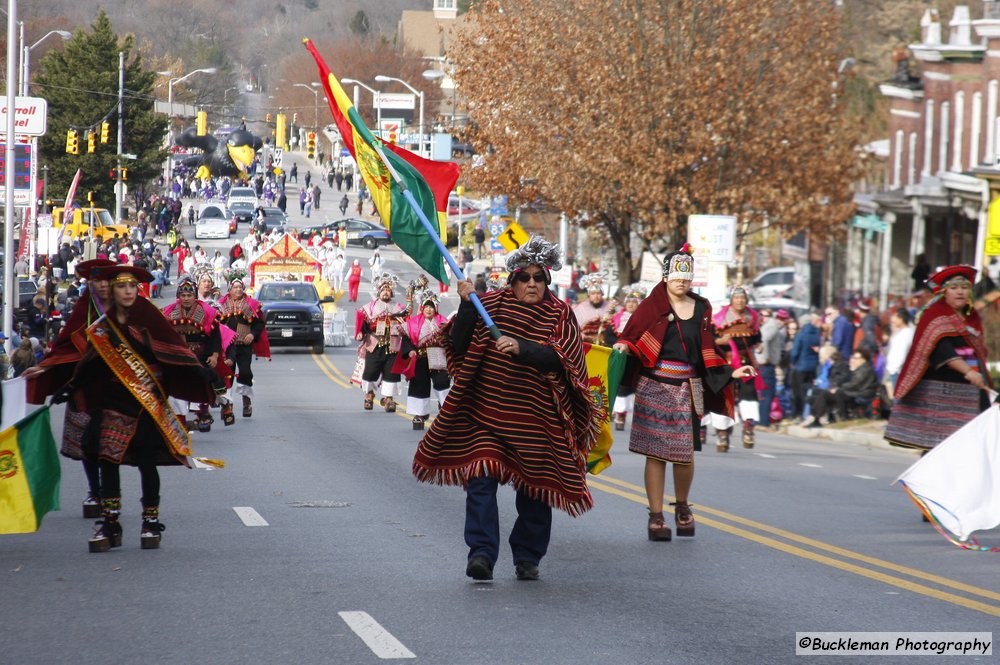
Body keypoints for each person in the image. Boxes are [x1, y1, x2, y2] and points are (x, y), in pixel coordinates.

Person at [413, 236, 599, 582]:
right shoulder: (489, 304)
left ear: (547, 281)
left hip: (537, 419)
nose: (531, 283)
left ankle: (528, 556)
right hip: (486, 415)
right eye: (524, 277)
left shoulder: (560, 314)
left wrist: (524, 348)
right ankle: (481, 553)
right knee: (480, 480)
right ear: (511, 280)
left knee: (535, 490)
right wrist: (467, 303)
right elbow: (457, 344)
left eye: (538, 278)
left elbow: (567, 360)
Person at [30, 265, 214, 552]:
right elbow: (91, 363)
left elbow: (173, 348)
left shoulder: (148, 316)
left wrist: (200, 371)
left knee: (146, 461)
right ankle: (110, 523)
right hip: (112, 402)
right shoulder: (103, 327)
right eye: (121, 287)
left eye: (132, 287)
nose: (128, 291)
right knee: (107, 459)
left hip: (145, 402)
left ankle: (150, 522)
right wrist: (66, 385)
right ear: (112, 292)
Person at [613, 244, 754, 541]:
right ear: (665, 277)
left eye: (686, 275)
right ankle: (655, 516)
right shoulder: (652, 305)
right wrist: (624, 346)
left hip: (689, 387)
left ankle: (682, 506)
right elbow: (631, 335)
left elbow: (708, 349)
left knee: (684, 453)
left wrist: (732, 371)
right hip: (654, 384)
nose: (681, 280)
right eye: (676, 275)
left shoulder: (702, 307)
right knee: (655, 455)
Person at [885, 265, 992, 451]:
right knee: (939, 449)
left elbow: (978, 351)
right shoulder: (934, 315)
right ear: (944, 292)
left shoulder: (971, 317)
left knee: (971, 446)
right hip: (941, 391)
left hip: (971, 390)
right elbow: (942, 349)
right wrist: (968, 371)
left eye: (964, 287)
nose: (960, 292)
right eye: (954, 288)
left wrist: (979, 374)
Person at [162, 277, 235, 431]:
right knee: (176, 386)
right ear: (179, 296)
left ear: (194, 296)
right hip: (179, 356)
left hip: (201, 355)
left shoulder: (207, 312)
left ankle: (224, 404)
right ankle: (180, 422)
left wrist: (214, 356)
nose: (186, 299)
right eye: (183, 295)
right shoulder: (169, 312)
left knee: (208, 380)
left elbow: (215, 337)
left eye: (189, 295)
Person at [707, 286, 761, 450]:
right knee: (723, 395)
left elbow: (757, 337)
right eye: (737, 298)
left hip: (745, 361)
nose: (740, 301)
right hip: (725, 362)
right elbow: (709, 340)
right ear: (731, 300)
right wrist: (720, 342)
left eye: (743, 298)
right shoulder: (718, 319)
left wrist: (758, 346)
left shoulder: (752, 317)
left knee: (749, 393)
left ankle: (748, 426)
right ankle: (722, 433)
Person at [395, 290, 451, 430]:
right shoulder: (413, 323)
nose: (428, 309)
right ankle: (419, 414)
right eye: (426, 306)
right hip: (420, 357)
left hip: (438, 355)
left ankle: (447, 409)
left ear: (435, 308)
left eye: (431, 306)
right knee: (419, 384)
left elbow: (451, 338)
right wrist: (410, 351)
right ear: (422, 307)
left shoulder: (444, 322)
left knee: (442, 382)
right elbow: (406, 339)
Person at [216, 269, 269, 418]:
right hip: (227, 346)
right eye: (235, 287)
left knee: (245, 372)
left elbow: (260, 323)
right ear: (229, 289)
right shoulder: (220, 305)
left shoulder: (251, 304)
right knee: (227, 375)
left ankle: (246, 401)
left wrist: (252, 334)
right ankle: (226, 405)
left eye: (240, 287)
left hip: (244, 345)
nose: (238, 290)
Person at [355, 273, 407, 412]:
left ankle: (388, 398)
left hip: (393, 344)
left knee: (391, 372)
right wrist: (361, 332)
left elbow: (407, 324)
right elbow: (363, 323)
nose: (385, 292)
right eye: (383, 290)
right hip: (374, 344)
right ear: (378, 291)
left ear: (392, 292)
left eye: (388, 290)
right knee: (371, 371)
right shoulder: (370, 308)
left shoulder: (399, 308)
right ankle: (369, 394)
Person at [607, 284, 646, 430]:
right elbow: (609, 336)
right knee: (621, 385)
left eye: (634, 302)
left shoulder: (643, 320)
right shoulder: (616, 319)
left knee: (635, 386)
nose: (631, 304)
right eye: (628, 301)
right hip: (620, 355)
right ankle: (620, 414)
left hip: (636, 356)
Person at [801, 349, 853, 426]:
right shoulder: (832, 367)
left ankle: (814, 415)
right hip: (831, 388)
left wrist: (834, 386)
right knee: (812, 394)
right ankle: (816, 416)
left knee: (823, 394)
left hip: (838, 390)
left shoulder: (841, 366)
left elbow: (841, 379)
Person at [788, 311, 822, 420]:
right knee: (809, 390)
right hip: (813, 367)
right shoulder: (817, 334)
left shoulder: (801, 334)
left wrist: (793, 362)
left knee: (799, 391)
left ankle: (801, 413)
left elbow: (795, 352)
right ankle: (809, 412)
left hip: (800, 366)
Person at [573, 272, 614, 344]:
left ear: (602, 294)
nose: (596, 296)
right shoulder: (580, 308)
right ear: (589, 295)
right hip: (586, 344)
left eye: (598, 293)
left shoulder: (610, 306)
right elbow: (573, 328)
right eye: (593, 293)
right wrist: (583, 336)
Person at [882, 307, 915, 400]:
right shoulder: (900, 332)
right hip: (893, 369)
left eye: (895, 318)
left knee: (898, 398)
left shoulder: (907, 333)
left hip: (897, 370)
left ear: (901, 318)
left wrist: (896, 368)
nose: (893, 320)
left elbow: (902, 353)